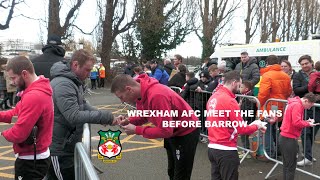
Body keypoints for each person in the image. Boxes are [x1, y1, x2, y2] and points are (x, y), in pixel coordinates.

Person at [111, 74, 199, 180]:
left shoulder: (156, 95)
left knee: (181, 175)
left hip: (185, 131)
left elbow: (166, 131)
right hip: (173, 130)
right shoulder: (140, 94)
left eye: (121, 97)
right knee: (171, 170)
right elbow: (145, 115)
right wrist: (128, 120)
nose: (122, 101)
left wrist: (136, 130)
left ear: (129, 89)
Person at [47, 49, 117, 180]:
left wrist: (107, 118)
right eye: (87, 70)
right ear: (75, 65)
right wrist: (105, 116)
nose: (89, 74)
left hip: (67, 144)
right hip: (59, 149)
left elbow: (83, 105)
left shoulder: (73, 81)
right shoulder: (64, 84)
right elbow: (74, 116)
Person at [0, 56, 54, 179]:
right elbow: (15, 113)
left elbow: (19, 134)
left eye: (13, 78)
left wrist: (2, 133)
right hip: (35, 156)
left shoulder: (34, 96)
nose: (12, 82)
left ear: (24, 74)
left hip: (31, 161)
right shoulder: (36, 90)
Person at [206, 71, 266, 180]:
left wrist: (253, 125)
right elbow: (242, 129)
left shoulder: (213, 97)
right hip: (226, 149)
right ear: (234, 82)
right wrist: (257, 125)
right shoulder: (229, 100)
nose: (240, 88)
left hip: (213, 147)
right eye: (240, 84)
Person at [258, 55, 292, 158]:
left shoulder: (267, 75)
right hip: (280, 105)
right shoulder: (285, 75)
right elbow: (288, 91)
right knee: (276, 129)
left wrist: (258, 104)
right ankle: (279, 150)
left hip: (268, 106)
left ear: (267, 63)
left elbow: (263, 93)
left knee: (267, 129)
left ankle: (270, 153)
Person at [279, 93, 319, 180]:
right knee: (290, 167)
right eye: (310, 105)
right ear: (306, 100)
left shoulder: (294, 103)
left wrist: (305, 121)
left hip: (285, 137)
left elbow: (294, 120)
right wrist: (308, 123)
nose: (309, 108)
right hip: (289, 138)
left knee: (287, 165)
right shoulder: (297, 105)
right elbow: (296, 122)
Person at [292, 55, 319, 166]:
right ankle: (307, 156)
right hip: (305, 108)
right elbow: (296, 90)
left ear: (311, 63)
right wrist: (309, 87)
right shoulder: (298, 75)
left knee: (312, 133)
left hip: (317, 108)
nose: (304, 66)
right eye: (302, 64)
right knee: (305, 132)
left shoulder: (317, 73)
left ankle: (307, 154)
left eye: (306, 63)